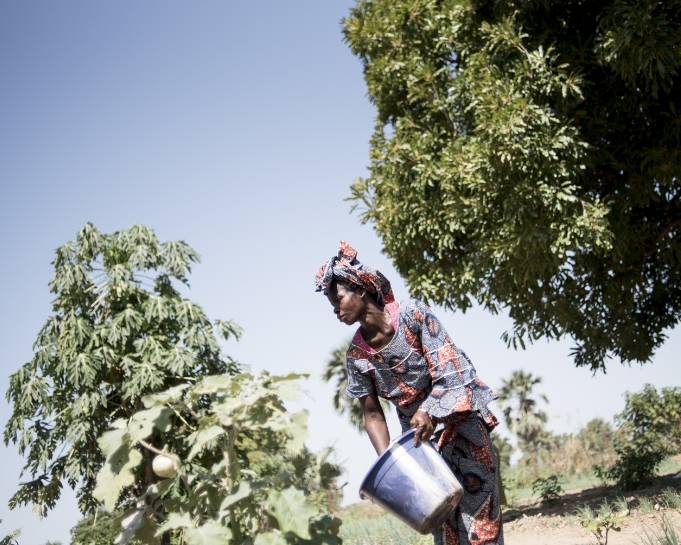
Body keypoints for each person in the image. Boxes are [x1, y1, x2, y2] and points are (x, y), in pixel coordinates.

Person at [315, 241, 504, 545]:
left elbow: (449, 367)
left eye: (338, 300)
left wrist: (428, 409)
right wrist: (395, 464)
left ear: (361, 290)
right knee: (444, 527)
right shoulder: (357, 357)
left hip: (462, 426)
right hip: (421, 447)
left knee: (479, 518)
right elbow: (373, 413)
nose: (336, 310)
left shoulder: (413, 316)